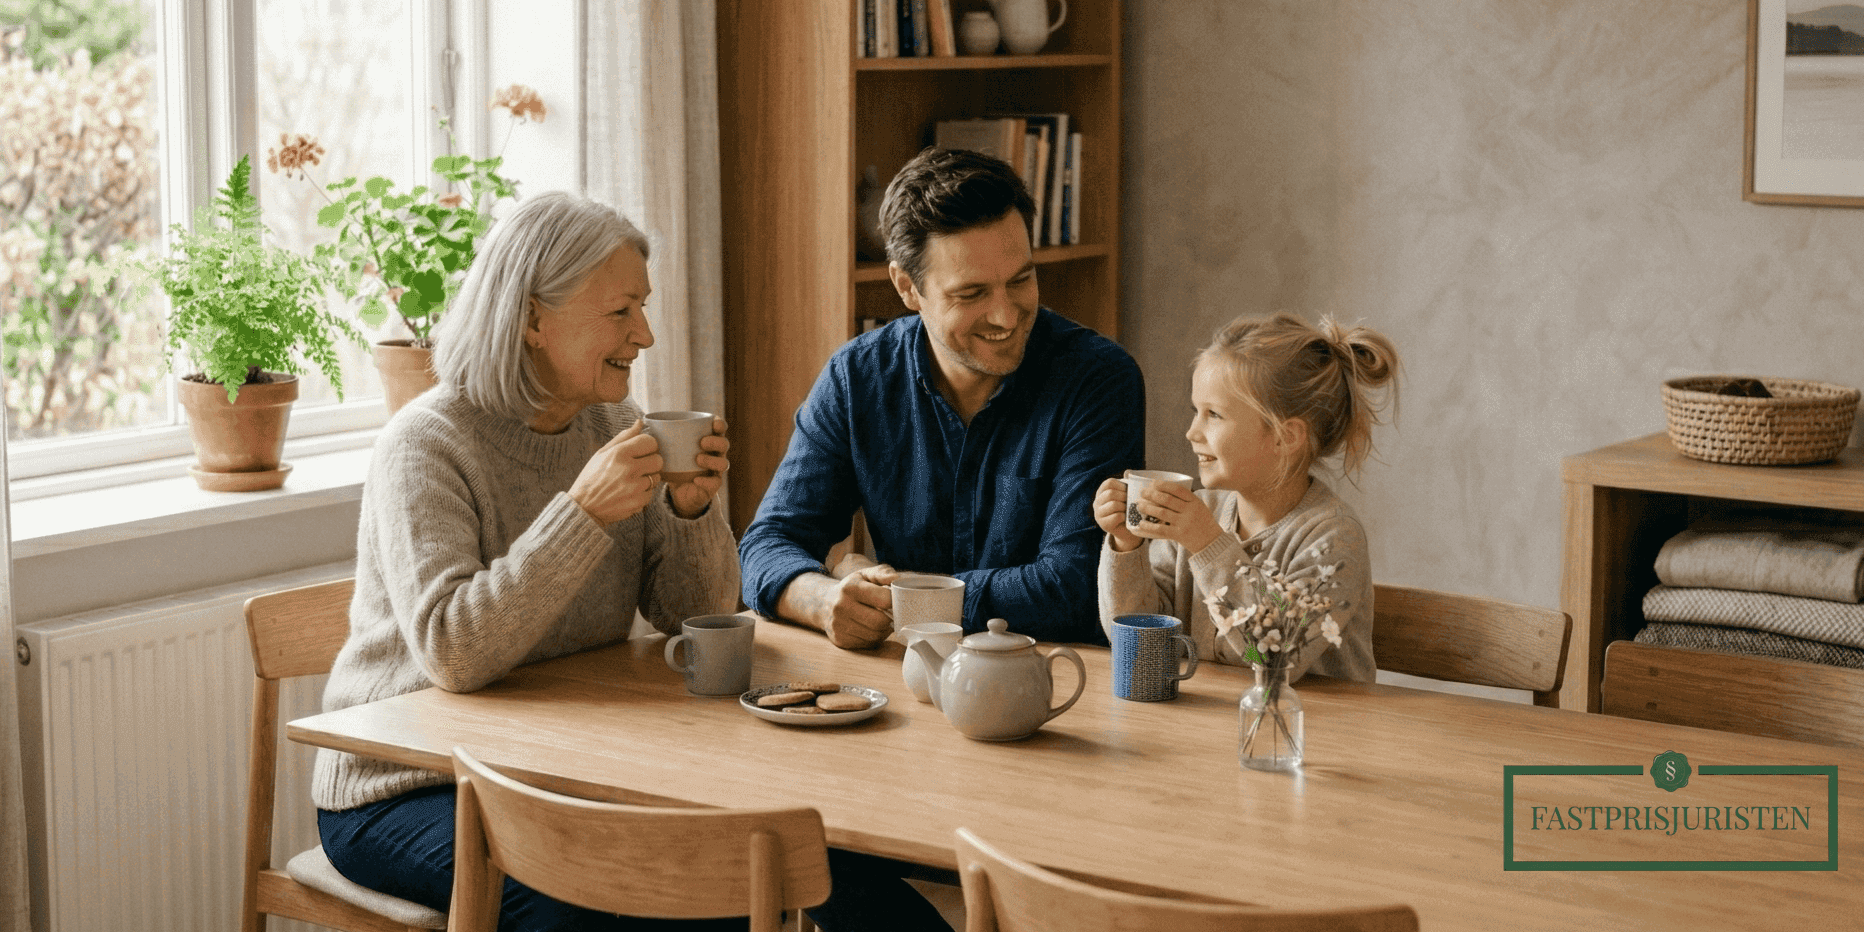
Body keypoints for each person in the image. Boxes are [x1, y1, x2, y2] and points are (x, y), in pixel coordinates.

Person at [311, 192, 942, 931]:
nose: (643, 334)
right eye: (620, 311)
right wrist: (580, 515)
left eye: (642, 308)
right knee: (615, 911)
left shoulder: (613, 425)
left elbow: (693, 614)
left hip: (565, 763)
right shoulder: (426, 445)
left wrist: (692, 510)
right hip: (408, 785)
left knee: (797, 873)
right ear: (531, 320)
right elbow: (454, 652)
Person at [739, 147, 1146, 648]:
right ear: (907, 287)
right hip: (906, 682)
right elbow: (767, 544)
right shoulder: (857, 377)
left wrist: (905, 593)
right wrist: (823, 600)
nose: (1006, 315)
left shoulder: (1098, 379)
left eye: (1021, 280)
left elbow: (1073, 588)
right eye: (971, 294)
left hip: (1056, 683)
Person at [1094, 313, 1400, 682]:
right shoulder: (1200, 512)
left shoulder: (1332, 539)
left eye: (1214, 415)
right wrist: (1127, 547)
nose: (1192, 432)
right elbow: (1143, 651)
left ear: (1285, 438)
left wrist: (1207, 544)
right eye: (1196, 411)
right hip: (1211, 728)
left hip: (1312, 733)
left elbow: (1273, 656)